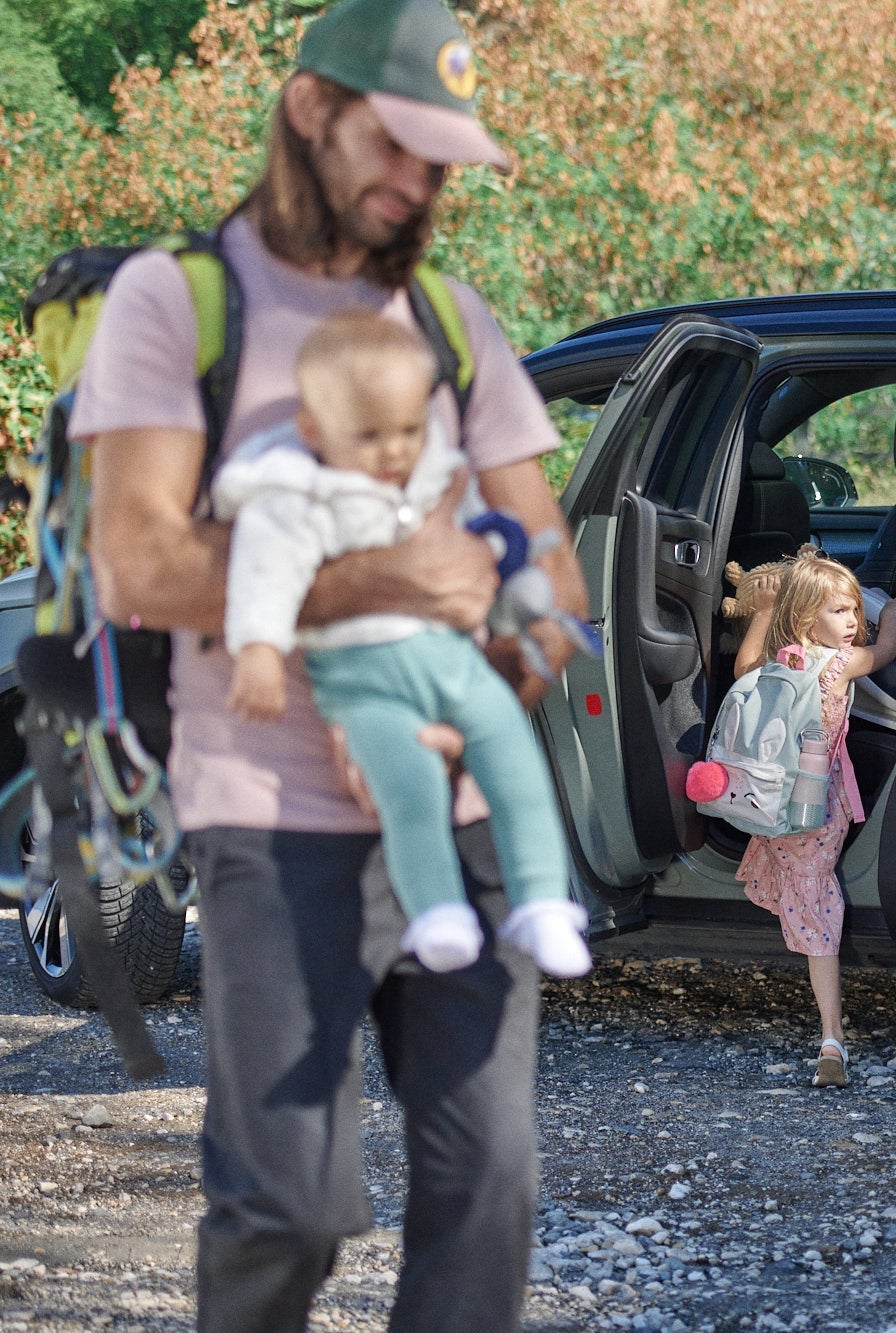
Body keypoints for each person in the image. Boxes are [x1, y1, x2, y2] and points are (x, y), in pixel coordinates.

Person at [74, 0, 586, 1326]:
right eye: (396, 146)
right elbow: (136, 559)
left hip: (458, 806)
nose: (417, 184)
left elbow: (553, 570)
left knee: (492, 1194)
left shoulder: (457, 327)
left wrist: (488, 689)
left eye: (437, 161)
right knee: (284, 1208)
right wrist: (377, 581)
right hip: (271, 817)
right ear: (310, 109)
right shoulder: (181, 302)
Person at [217, 311, 589, 978]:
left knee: (517, 765)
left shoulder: (433, 473)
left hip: (452, 660)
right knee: (409, 789)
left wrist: (505, 568)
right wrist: (260, 651)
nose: (394, 452)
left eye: (410, 430)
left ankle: (544, 904)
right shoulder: (296, 495)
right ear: (312, 430)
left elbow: (488, 530)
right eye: (370, 436)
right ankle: (437, 911)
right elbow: (262, 575)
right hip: (361, 680)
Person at [730, 548, 896, 1087]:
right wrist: (893, 619)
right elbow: (886, 653)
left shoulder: (785, 660)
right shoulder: (840, 663)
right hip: (819, 805)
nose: (853, 622)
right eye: (840, 612)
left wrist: (760, 613)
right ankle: (832, 1036)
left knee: (808, 901)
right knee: (817, 916)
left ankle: (831, 1034)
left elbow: (742, 670)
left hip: (775, 803)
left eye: (854, 610)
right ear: (809, 619)